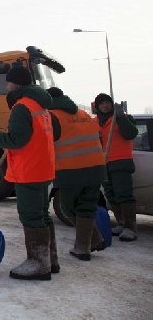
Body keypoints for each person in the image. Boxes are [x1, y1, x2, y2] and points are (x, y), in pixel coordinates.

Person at [0, 65, 59, 281]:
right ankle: (50, 260)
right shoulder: (41, 105)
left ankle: (38, 264)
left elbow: (16, 140)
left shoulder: (22, 107)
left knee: (31, 216)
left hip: (29, 170)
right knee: (42, 215)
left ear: (16, 84)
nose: (6, 86)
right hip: (43, 168)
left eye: (9, 82)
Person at [47, 87, 107, 260]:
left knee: (67, 206)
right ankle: (85, 247)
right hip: (96, 168)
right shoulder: (83, 114)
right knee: (86, 207)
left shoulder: (52, 116)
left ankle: (91, 241)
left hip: (71, 170)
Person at [93, 93, 139, 242]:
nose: (104, 106)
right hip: (103, 163)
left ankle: (130, 228)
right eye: (101, 104)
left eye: (107, 103)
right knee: (111, 195)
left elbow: (131, 134)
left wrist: (121, 118)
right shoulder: (95, 122)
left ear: (112, 104)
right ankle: (120, 223)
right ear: (97, 107)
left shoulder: (121, 119)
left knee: (123, 194)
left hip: (120, 162)